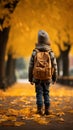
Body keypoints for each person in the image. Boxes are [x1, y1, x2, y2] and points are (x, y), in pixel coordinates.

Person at [28, 30, 57, 115]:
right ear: (47, 41)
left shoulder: (35, 52)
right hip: (47, 77)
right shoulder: (50, 52)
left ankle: (39, 109)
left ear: (38, 41)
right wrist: (54, 78)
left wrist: (30, 78)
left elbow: (30, 66)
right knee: (46, 92)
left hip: (37, 77)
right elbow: (55, 66)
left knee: (39, 93)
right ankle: (47, 109)